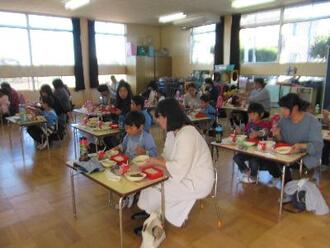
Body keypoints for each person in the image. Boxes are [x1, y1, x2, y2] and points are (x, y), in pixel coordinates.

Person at [134, 98, 214, 231]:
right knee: (150, 180)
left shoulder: (188, 134)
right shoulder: (173, 132)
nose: (157, 121)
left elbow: (179, 167)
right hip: (185, 173)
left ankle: (155, 221)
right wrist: (148, 158)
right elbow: (166, 156)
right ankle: (150, 212)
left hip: (198, 180)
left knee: (160, 187)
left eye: (159, 117)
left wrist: (155, 162)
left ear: (168, 116)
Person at [271, 93, 323, 183]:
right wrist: (277, 135)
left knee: (284, 165)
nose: (282, 111)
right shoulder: (284, 120)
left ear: (295, 108)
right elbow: (281, 141)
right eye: (281, 108)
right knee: (271, 160)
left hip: (306, 158)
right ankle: (289, 187)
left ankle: (291, 187)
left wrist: (301, 146)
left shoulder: (311, 121)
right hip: (288, 155)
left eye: (285, 108)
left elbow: (318, 145)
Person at [233, 103, 272, 183]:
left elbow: (266, 131)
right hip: (248, 150)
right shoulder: (249, 124)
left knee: (253, 161)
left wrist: (258, 133)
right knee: (236, 158)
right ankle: (247, 172)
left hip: (259, 152)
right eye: (250, 114)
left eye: (254, 114)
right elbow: (246, 134)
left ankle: (253, 177)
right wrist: (240, 132)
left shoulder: (265, 123)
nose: (251, 117)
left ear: (261, 114)